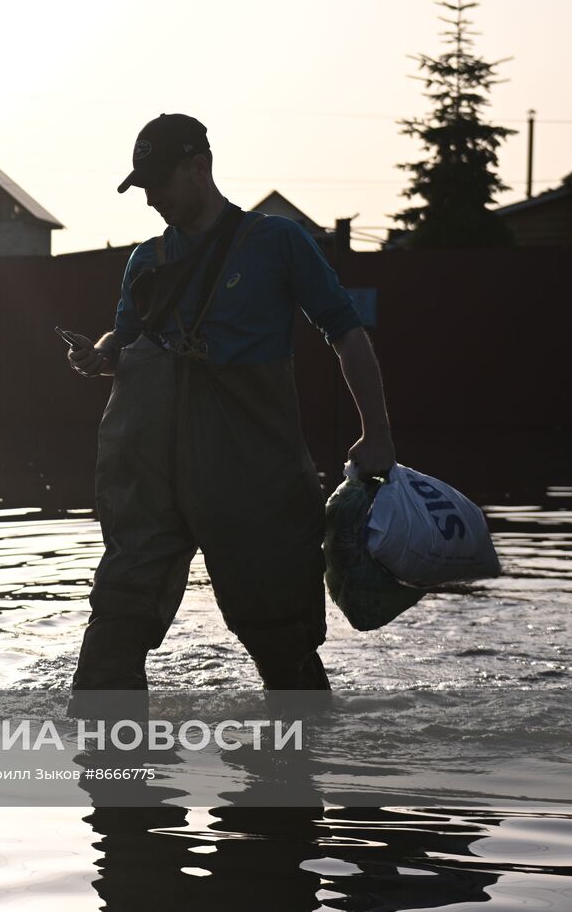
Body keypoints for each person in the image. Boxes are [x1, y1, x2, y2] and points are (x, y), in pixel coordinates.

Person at [64, 113, 395, 693]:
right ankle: (116, 778)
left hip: (252, 478)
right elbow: (128, 346)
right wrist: (99, 355)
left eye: (159, 184)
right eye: (141, 188)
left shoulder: (276, 242)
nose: (151, 201)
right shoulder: (146, 260)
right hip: (153, 478)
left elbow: (345, 331)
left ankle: (294, 776)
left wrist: (378, 434)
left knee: (283, 652)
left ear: (200, 167)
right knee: (111, 642)